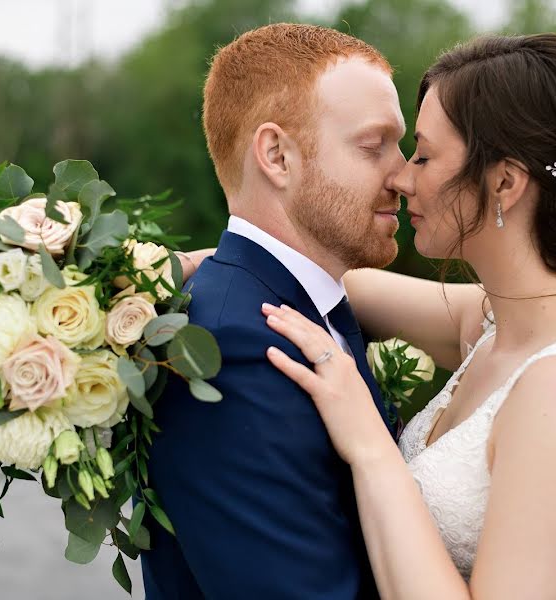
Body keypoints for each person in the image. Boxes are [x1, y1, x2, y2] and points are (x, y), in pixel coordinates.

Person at [260, 33, 556, 599]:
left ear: (504, 182)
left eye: (426, 156)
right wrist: (185, 267)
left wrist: (368, 443)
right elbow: (343, 286)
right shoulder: (495, 323)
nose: (402, 178)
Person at [141, 23, 407, 599]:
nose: (404, 174)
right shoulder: (224, 350)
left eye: (402, 144)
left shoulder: (307, 305)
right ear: (277, 155)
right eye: (373, 146)